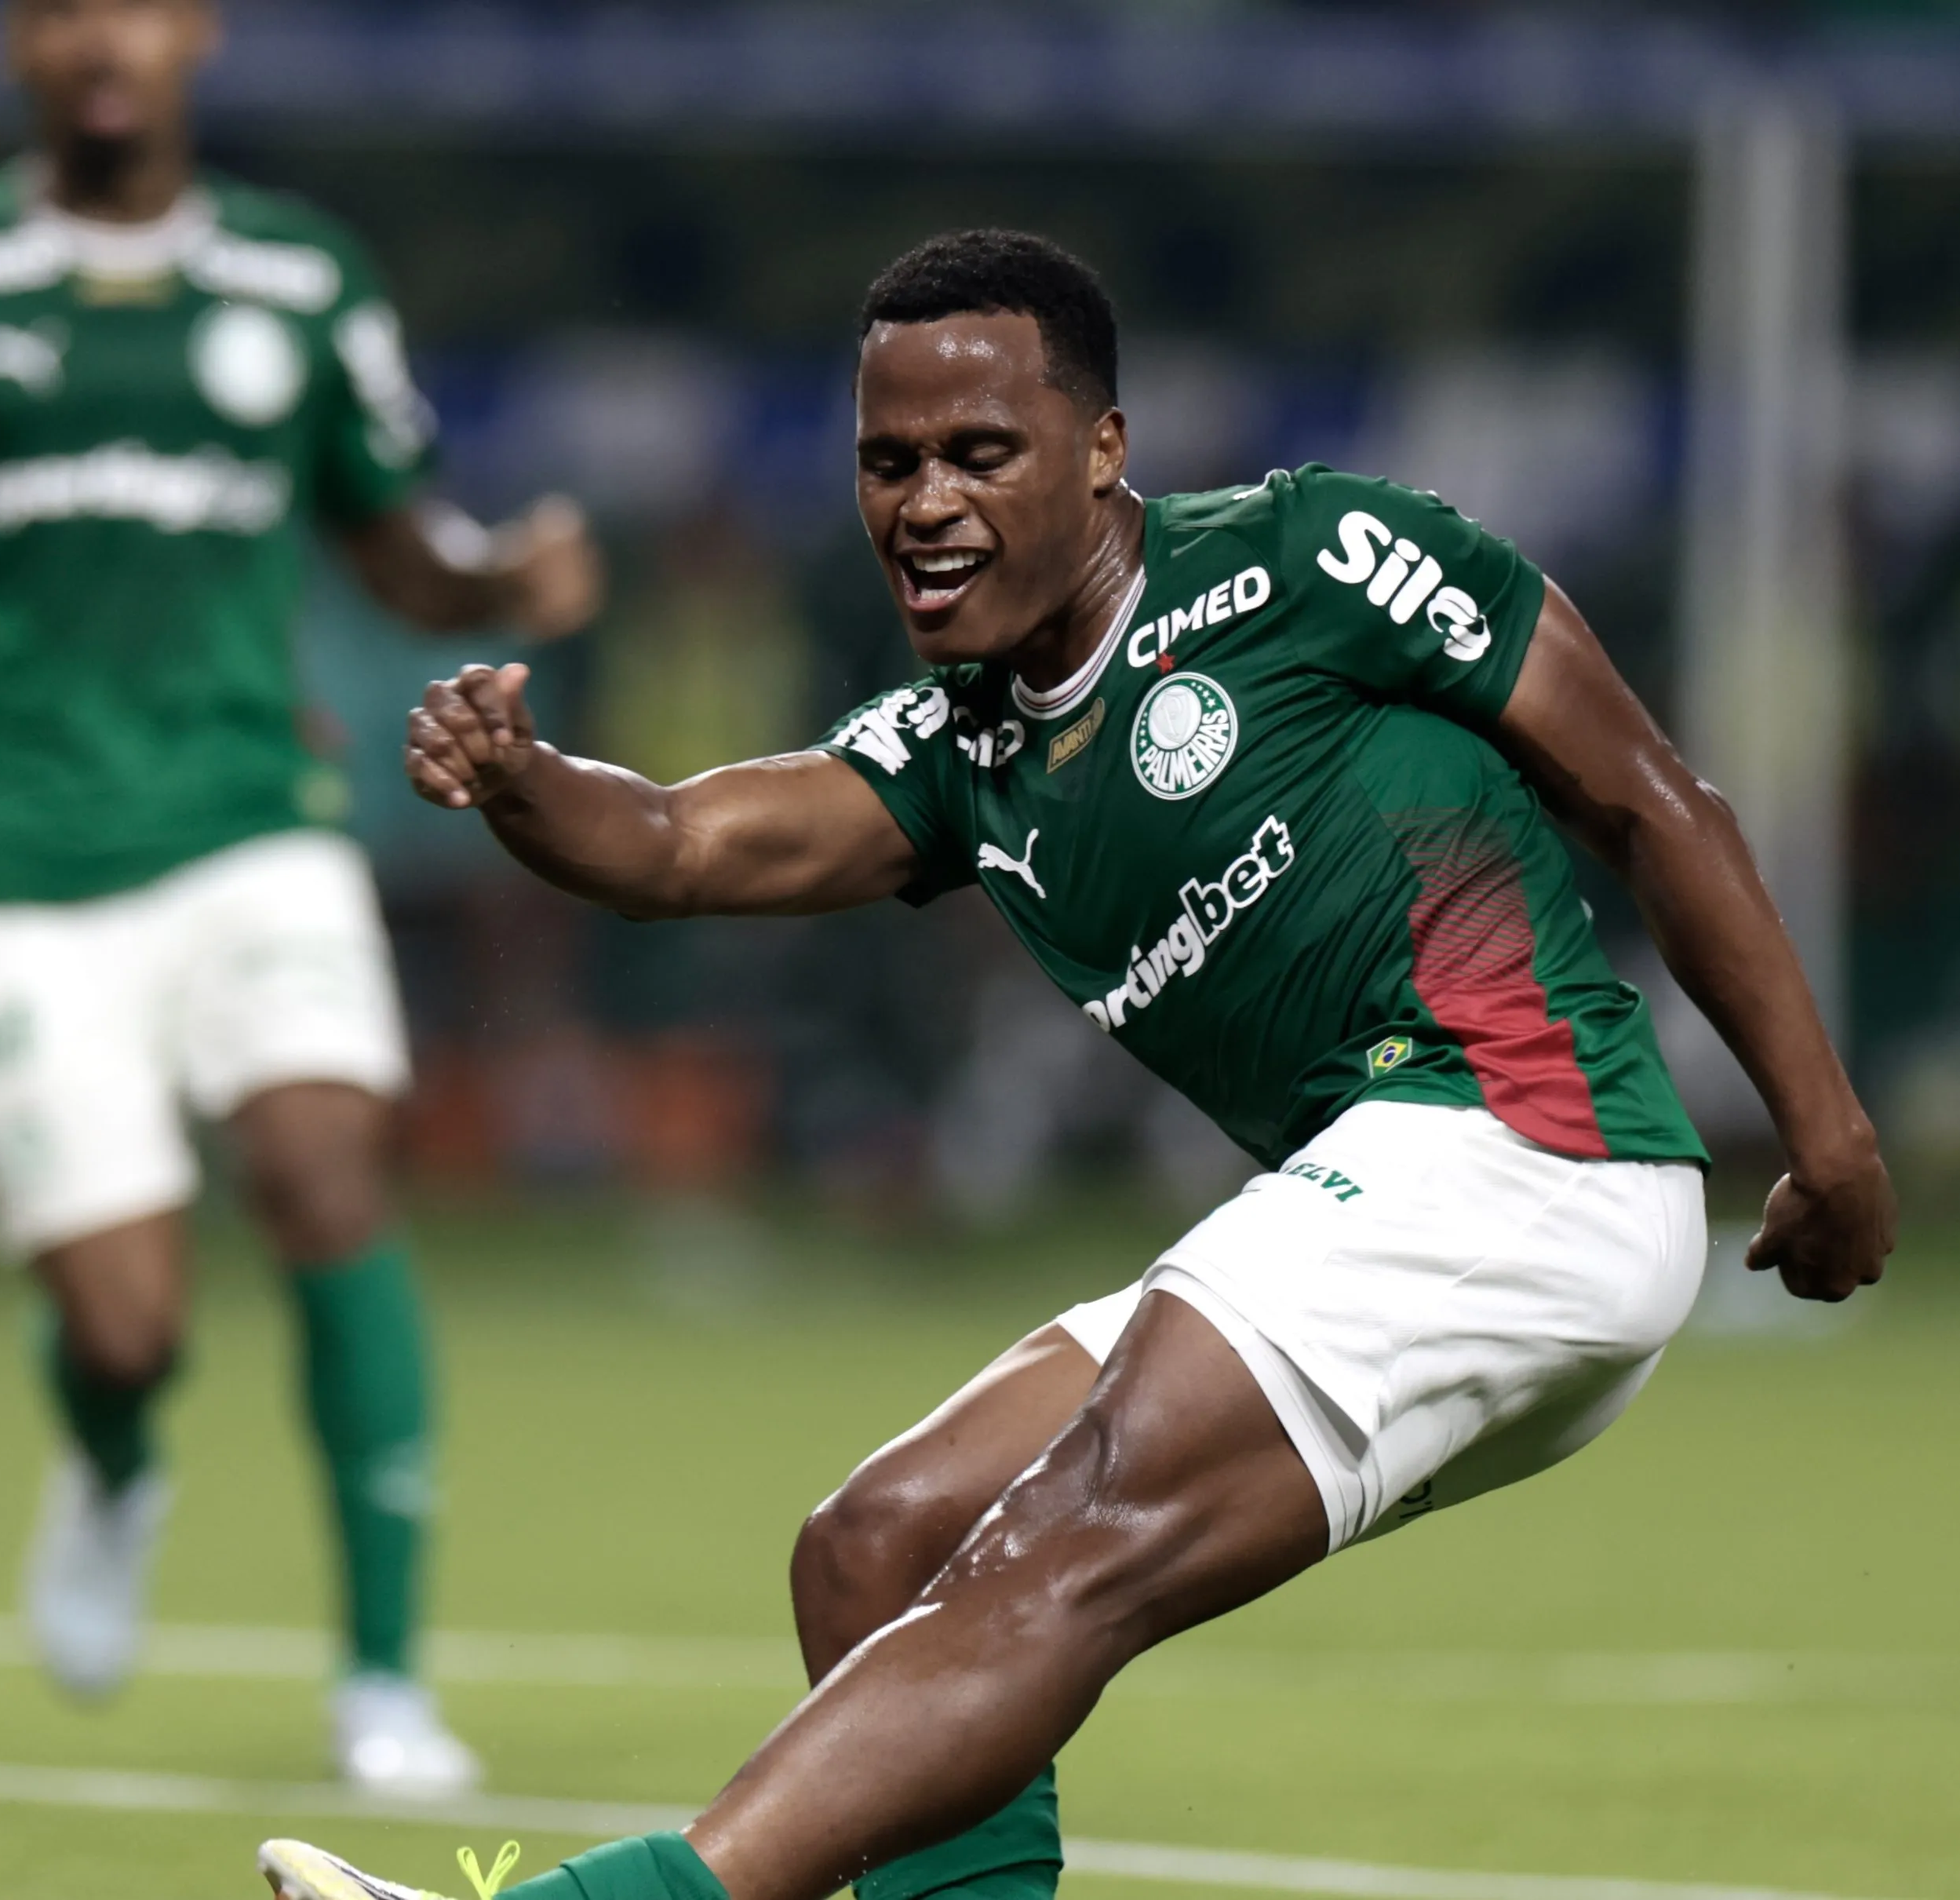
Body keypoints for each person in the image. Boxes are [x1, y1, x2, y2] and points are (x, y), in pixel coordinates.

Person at [259, 228, 1893, 1900]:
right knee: (883, 1543)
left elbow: (1651, 801)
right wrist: (522, 778)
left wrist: (1824, 1135)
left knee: (1068, 1534)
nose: (926, 503)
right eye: (888, 463)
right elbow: (680, 844)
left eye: (980, 454)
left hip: (1520, 1145)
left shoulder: (1317, 559)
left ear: (1102, 448)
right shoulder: (958, 749)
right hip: (1390, 1191)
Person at [0, 0, 599, 1792]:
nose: (106, 41)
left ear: (196, 34)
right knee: (126, 1322)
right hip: (14, 860)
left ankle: (383, 1684)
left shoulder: (302, 279)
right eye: (67, 10)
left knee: (326, 1170)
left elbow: (399, 541)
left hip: (251, 822)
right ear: (18, 43)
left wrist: (500, 579)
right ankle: (114, 1454)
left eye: (139, 8)